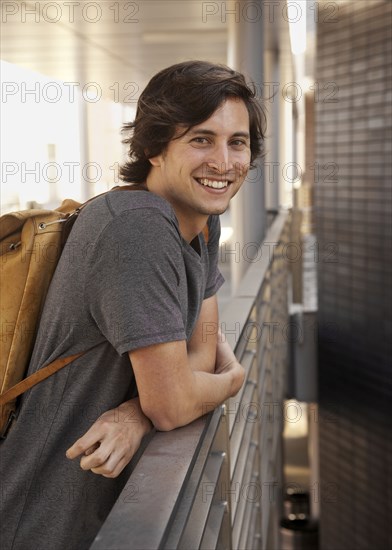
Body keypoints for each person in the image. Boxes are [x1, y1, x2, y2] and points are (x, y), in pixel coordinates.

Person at [0, 60, 266, 549]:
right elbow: (177, 399)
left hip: (99, 510)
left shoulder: (201, 223)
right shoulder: (136, 226)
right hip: (37, 517)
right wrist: (231, 381)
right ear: (152, 148)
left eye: (238, 142)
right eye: (201, 140)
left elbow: (198, 355)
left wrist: (136, 413)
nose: (224, 163)